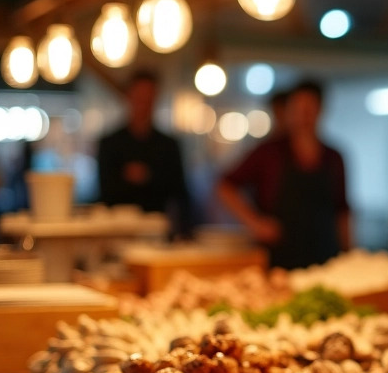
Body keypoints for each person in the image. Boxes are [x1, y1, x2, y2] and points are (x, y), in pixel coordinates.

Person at [216, 79, 351, 269]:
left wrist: (348, 252)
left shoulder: (334, 157)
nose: (304, 116)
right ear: (289, 111)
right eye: (298, 109)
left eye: (309, 109)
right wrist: (255, 223)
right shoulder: (269, 152)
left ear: (321, 110)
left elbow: (343, 210)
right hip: (279, 256)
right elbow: (225, 185)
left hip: (325, 255)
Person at [96, 71, 191, 235]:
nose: (144, 103)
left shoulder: (168, 145)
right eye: (139, 97)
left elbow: (180, 192)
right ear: (129, 97)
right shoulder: (110, 143)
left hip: (158, 231)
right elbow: (104, 191)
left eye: (149, 98)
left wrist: (147, 176)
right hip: (116, 231)